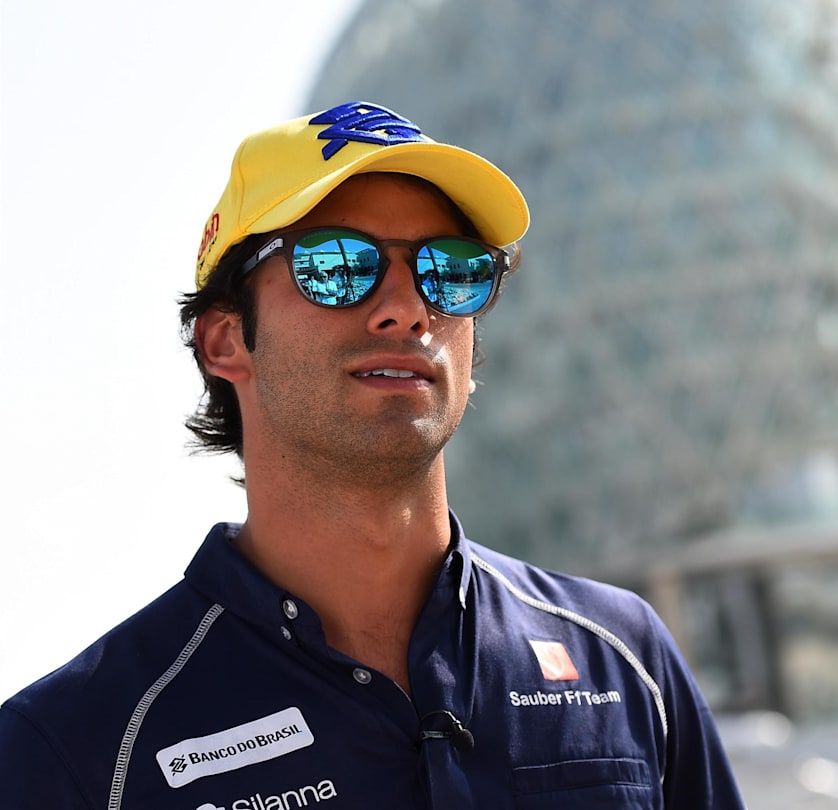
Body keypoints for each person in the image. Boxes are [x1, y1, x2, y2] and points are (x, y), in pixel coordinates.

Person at [0, 101, 746, 809]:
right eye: (337, 265)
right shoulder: (76, 747)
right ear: (226, 340)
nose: (409, 307)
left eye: (450, 269)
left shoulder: (626, 664)